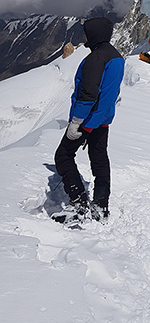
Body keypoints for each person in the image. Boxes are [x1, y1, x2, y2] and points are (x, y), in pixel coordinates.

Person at [53, 17, 124, 223]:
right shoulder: (115, 56)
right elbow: (109, 93)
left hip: (87, 120)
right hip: (102, 119)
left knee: (63, 156)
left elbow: (88, 94)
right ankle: (101, 206)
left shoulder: (96, 58)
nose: (83, 37)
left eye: (86, 33)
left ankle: (79, 203)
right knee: (99, 159)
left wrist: (77, 122)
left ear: (94, 34)